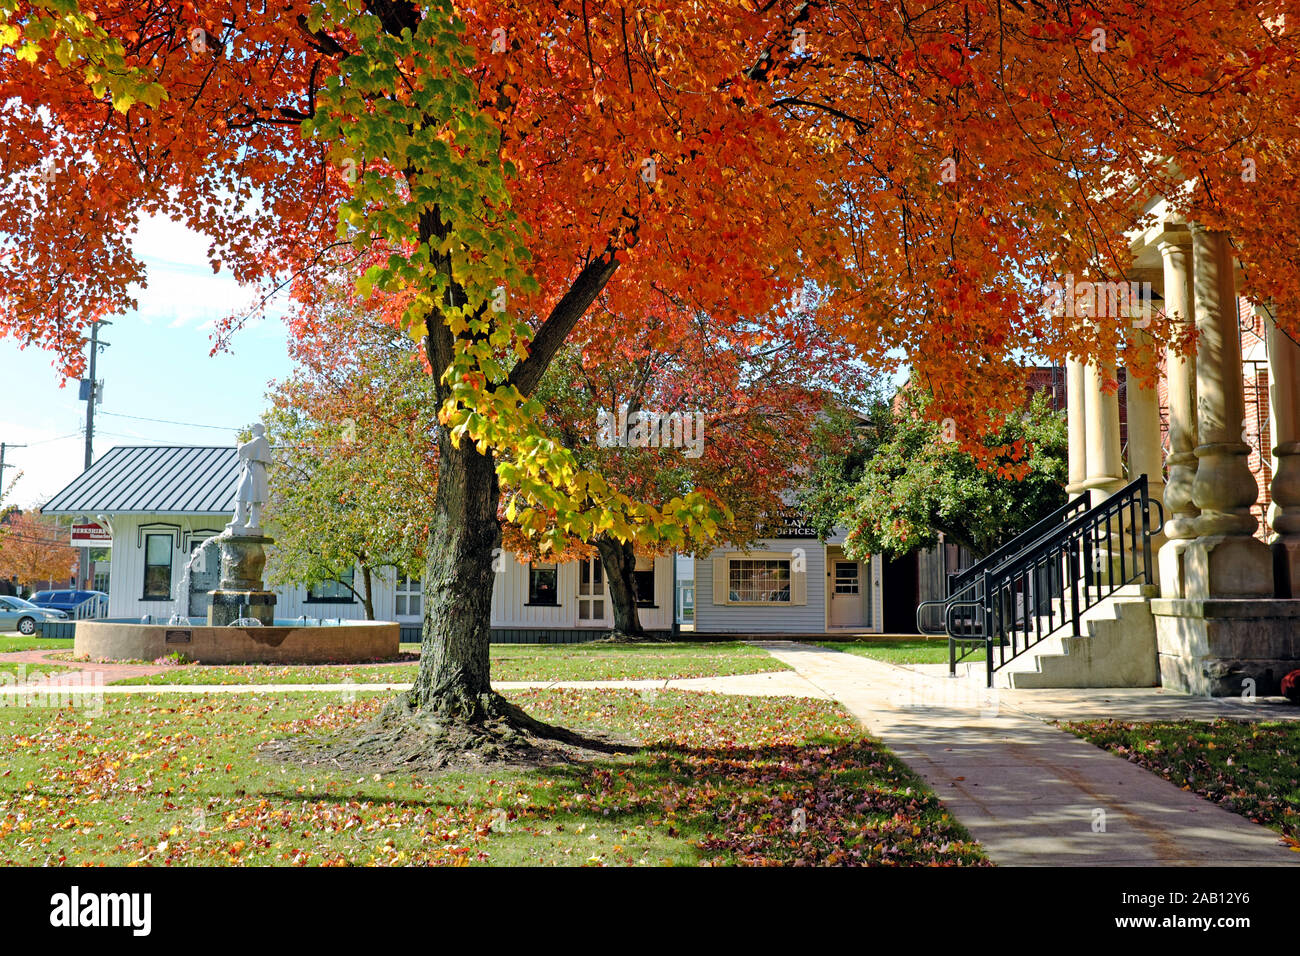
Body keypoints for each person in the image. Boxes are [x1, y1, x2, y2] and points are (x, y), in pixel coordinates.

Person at [228, 424, 273, 535]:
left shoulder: (259, 440)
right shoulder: (262, 441)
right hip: (254, 469)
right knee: (252, 496)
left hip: (254, 470)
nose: (252, 432)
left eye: (253, 430)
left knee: (243, 495)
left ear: (258, 430)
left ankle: (242, 520)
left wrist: (239, 444)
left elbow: (244, 449)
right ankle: (252, 522)